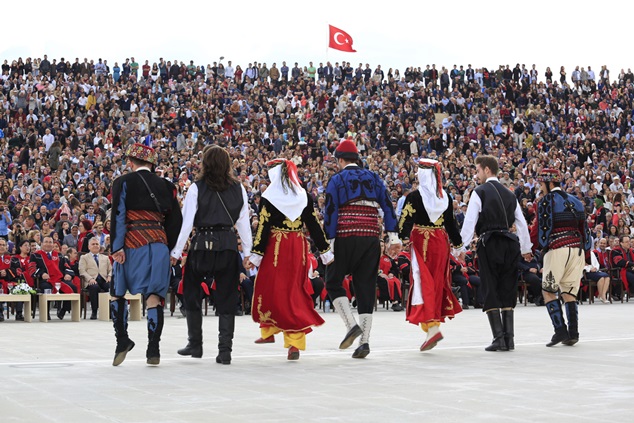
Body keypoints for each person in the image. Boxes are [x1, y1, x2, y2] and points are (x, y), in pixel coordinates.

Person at [171, 145, 252, 365]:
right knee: (227, 297)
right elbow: (243, 223)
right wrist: (248, 252)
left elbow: (186, 223)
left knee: (190, 289)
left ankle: (195, 343)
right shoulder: (239, 188)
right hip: (227, 245)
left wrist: (177, 251)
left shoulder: (196, 188)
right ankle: (225, 351)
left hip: (202, 246)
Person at [249, 159, 333, 360]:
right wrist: (325, 251)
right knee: (294, 290)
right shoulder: (303, 196)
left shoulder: (269, 197)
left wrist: (256, 254)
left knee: (270, 286)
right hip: (297, 245)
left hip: (276, 246)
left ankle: (269, 330)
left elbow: (263, 227)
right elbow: (314, 224)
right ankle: (293, 341)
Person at [324, 139, 398, 359]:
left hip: (346, 236)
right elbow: (388, 206)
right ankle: (364, 342)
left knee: (333, 281)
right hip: (371, 238)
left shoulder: (337, 179)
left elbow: (331, 210)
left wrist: (330, 241)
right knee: (365, 286)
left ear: (340, 160)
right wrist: (393, 235)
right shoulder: (374, 178)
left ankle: (351, 326)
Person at [110, 143, 182, 366]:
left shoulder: (122, 182)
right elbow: (175, 221)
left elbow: (119, 214)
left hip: (132, 244)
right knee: (154, 297)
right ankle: (153, 349)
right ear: (151, 163)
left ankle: (122, 340)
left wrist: (116, 247)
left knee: (117, 293)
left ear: (131, 162)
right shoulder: (168, 186)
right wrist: (171, 249)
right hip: (159, 245)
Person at [460, 155, 532, 352]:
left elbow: (470, 222)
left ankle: (498, 338)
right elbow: (521, 223)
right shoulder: (510, 194)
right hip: (510, 243)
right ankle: (509, 339)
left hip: (490, 242)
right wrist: (526, 248)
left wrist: (460, 248)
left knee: (490, 287)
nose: (476, 175)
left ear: (487, 170)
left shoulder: (479, 192)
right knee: (507, 288)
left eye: (477, 171)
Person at [398, 159, 464, 351]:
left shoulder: (414, 197)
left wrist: (401, 237)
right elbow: (451, 225)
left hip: (422, 241)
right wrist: (458, 246)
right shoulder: (446, 198)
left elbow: (405, 220)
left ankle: (432, 327)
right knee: (436, 282)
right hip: (441, 242)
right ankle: (431, 325)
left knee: (422, 282)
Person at [531, 169, 591, 346]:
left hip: (557, 248)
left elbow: (538, 230)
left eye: (542, 184)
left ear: (550, 183)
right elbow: (584, 228)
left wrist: (531, 247)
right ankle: (573, 333)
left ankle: (560, 331)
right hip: (577, 249)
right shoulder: (576, 200)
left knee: (548, 290)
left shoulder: (546, 201)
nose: (541, 187)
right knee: (569, 292)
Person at [30, 235, 79, 320]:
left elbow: (67, 267)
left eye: (50, 242)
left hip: (59, 280)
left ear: (53, 244)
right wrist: (41, 274)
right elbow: (32, 268)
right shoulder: (35, 255)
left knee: (72, 287)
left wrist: (68, 274)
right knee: (46, 288)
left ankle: (63, 310)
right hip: (44, 280)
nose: (48, 244)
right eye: (46, 242)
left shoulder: (59, 256)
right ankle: (46, 313)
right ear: (41, 243)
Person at [79, 237, 112, 319]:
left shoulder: (105, 258)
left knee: (110, 286)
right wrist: (90, 279)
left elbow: (111, 269)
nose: (95, 246)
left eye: (97, 244)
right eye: (93, 244)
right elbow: (82, 270)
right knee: (94, 287)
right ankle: (94, 311)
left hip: (103, 279)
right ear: (89, 247)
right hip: (91, 280)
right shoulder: (84, 257)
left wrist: (109, 276)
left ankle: (110, 311)